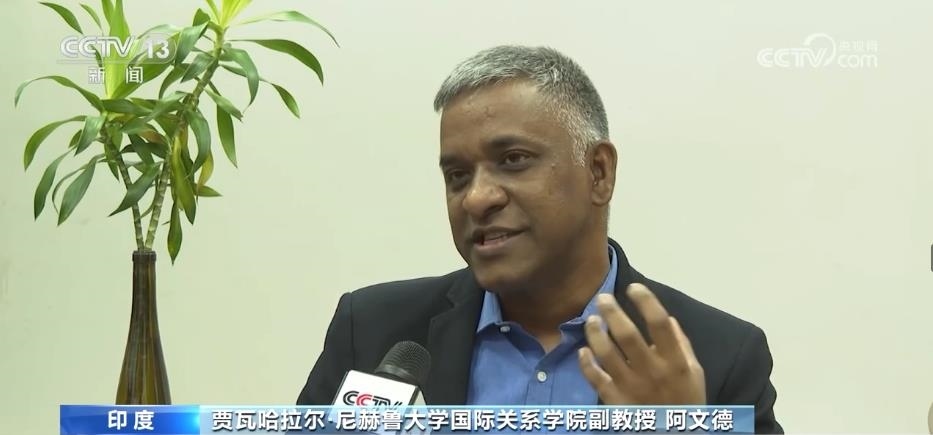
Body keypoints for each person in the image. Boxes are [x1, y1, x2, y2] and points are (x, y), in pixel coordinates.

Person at [297, 45, 782, 434]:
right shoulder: (375, 331)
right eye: (457, 175)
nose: (477, 198)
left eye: (513, 160)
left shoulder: (715, 357)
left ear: (598, 172)